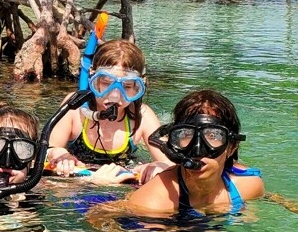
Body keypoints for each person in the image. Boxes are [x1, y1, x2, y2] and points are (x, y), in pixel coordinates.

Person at [100, 89, 265, 216]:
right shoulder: (157, 199)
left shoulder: (248, 186)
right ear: (174, 142)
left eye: (213, 136)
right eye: (186, 135)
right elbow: (104, 221)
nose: (198, 150)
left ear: (232, 147)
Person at [46, 39, 170, 183]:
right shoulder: (75, 107)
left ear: (139, 86)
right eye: (106, 83)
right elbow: (48, 149)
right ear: (92, 78)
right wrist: (59, 154)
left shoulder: (142, 116)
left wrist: (157, 166)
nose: (115, 96)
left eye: (128, 86)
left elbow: (172, 164)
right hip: (79, 186)